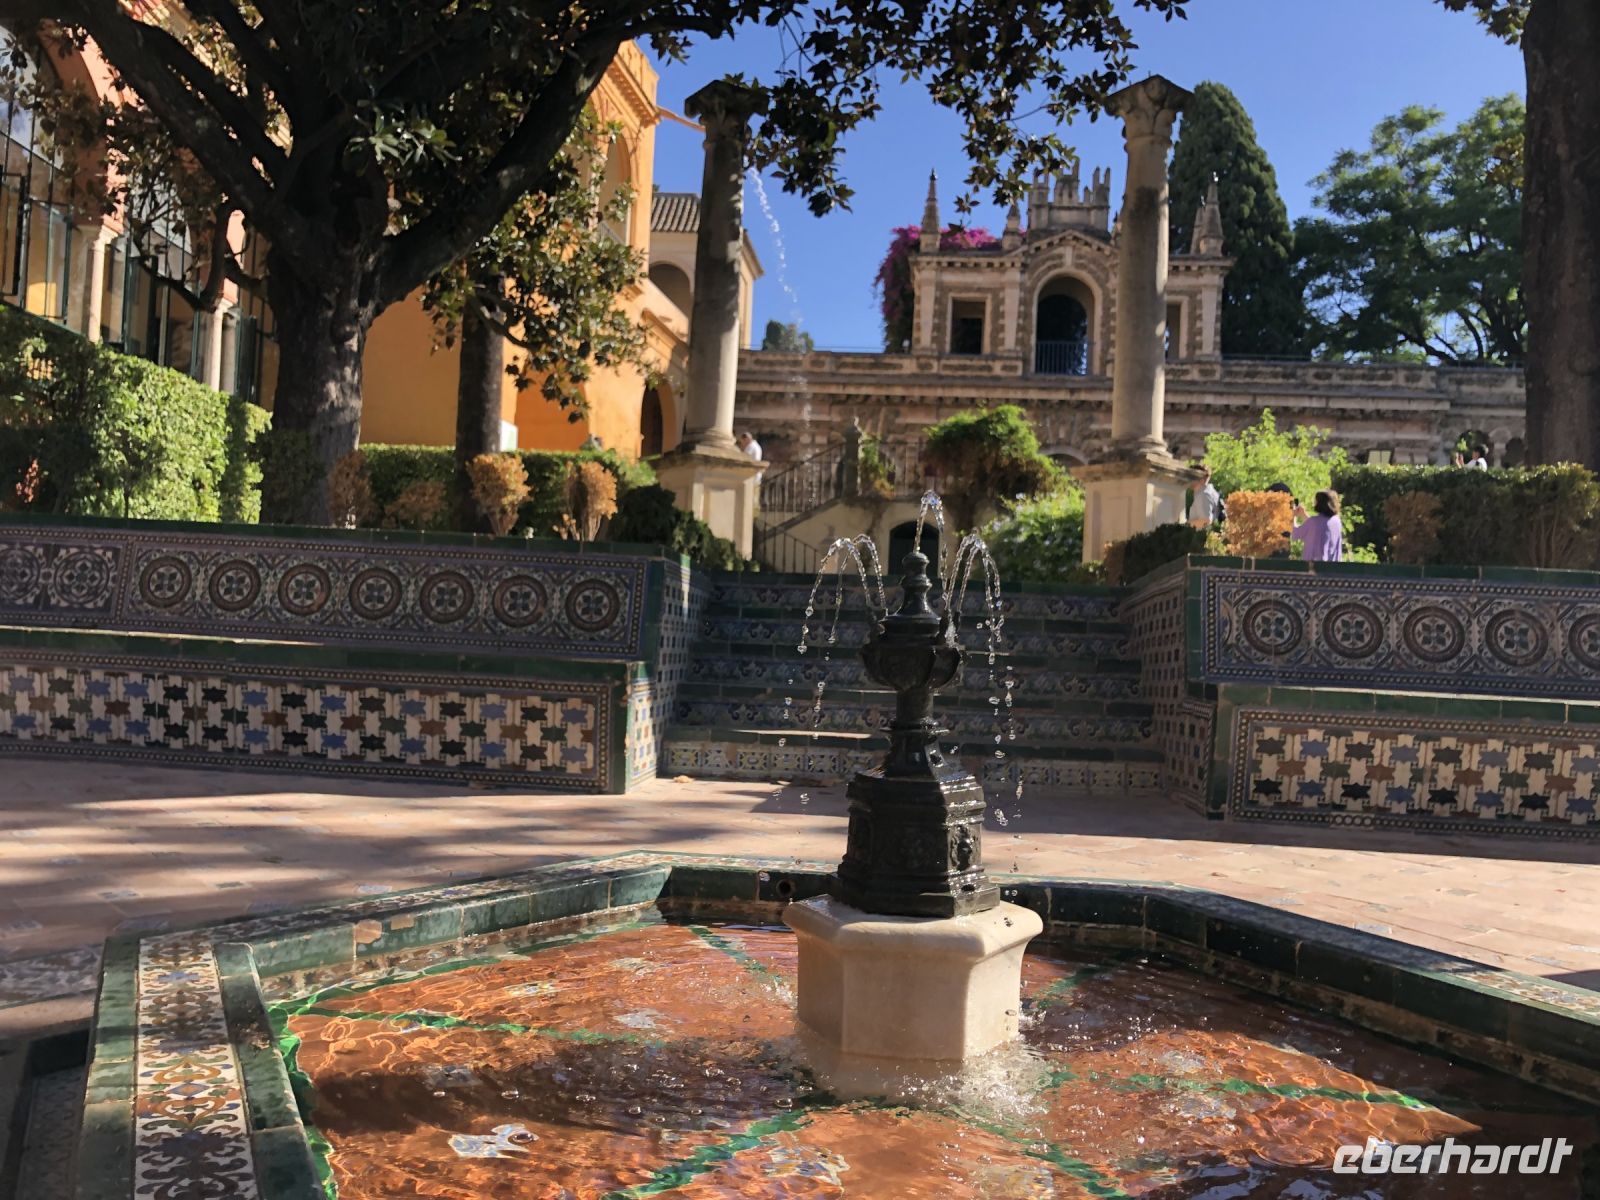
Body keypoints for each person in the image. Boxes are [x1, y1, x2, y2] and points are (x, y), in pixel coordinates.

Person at [1291, 490, 1343, 562]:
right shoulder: (1337, 521)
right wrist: (1303, 515)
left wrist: (1293, 516)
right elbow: (1319, 526)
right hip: (1333, 567)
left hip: (1314, 567)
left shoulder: (1314, 522)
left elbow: (1295, 534)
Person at [1187, 464, 1222, 529]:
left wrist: (1187, 524)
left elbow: (1206, 521)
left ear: (1201, 479)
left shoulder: (1203, 495)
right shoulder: (1209, 491)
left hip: (1203, 534)